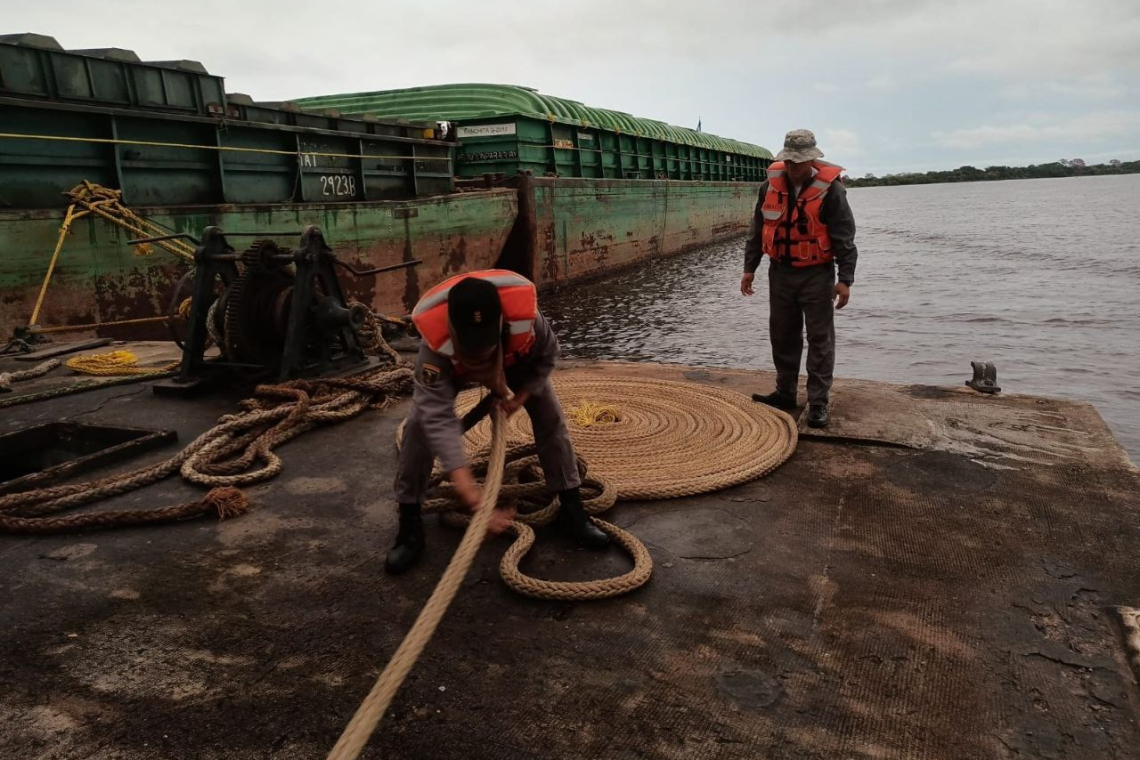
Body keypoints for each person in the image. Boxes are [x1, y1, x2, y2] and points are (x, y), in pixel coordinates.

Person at [386, 269, 609, 574]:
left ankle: (571, 508)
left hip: (514, 359)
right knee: (418, 427)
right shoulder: (434, 350)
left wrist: (521, 397)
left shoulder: (527, 322)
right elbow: (438, 421)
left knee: (549, 413)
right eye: (471, 348)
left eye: (484, 346)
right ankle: (409, 522)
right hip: (454, 368)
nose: (478, 355)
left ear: (502, 324)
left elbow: (547, 357)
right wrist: (475, 498)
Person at [740, 129, 858, 429]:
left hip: (817, 274)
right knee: (782, 335)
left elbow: (845, 237)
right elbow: (757, 230)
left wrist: (845, 279)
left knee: (820, 339)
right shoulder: (769, 186)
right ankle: (785, 393)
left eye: (800, 161)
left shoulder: (832, 190)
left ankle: (818, 402)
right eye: (789, 161)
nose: (793, 167)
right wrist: (749, 268)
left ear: (812, 160)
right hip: (780, 272)